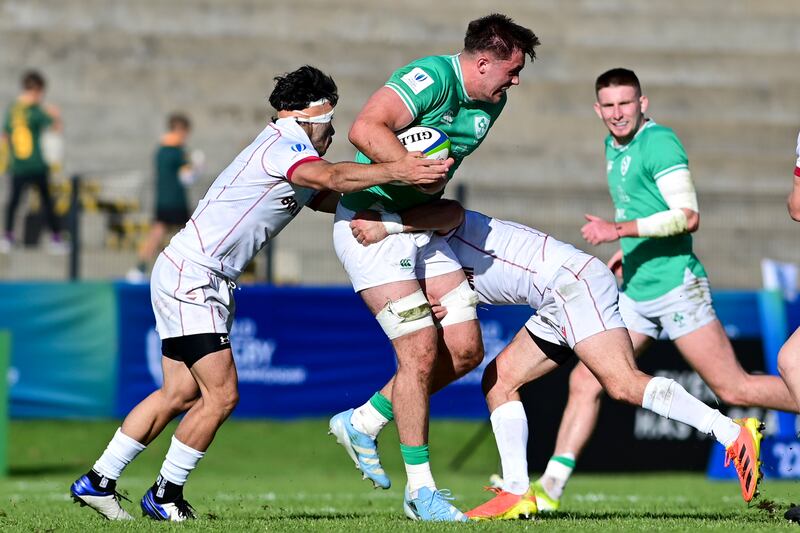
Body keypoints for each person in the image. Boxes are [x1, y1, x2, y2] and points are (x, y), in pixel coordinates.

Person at [69, 65, 452, 522]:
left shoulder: (288, 149)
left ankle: (98, 480)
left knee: (179, 392)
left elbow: (335, 197)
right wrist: (399, 169)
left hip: (190, 271)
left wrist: (401, 205)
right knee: (222, 395)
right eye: (331, 125)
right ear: (314, 117)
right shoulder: (287, 143)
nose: (332, 135)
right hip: (195, 276)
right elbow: (330, 180)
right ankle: (165, 495)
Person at [348, 203, 765, 520]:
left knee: (621, 383)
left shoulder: (424, 231)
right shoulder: (412, 262)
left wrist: (386, 225)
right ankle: (516, 491)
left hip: (571, 283)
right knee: (499, 379)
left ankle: (731, 432)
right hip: (555, 295)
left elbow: (452, 211)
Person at [530, 68, 798, 512]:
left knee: (733, 389)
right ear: (598, 110)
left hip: (677, 287)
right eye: (609, 106)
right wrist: (628, 249)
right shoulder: (612, 145)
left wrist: (617, 230)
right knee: (588, 377)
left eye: (625, 104)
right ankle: (550, 489)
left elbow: (687, 216)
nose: (617, 114)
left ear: (643, 104)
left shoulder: (659, 143)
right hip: (637, 288)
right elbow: (646, 211)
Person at [328, 13, 540, 521]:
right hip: (369, 221)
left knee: (466, 351)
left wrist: (421, 196)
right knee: (420, 350)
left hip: (416, 225)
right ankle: (420, 492)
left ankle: (362, 421)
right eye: (510, 70)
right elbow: (364, 128)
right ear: (483, 61)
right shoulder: (431, 77)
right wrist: (404, 166)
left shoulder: (494, 102)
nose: (515, 81)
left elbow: (434, 174)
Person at [126, 113, 203, 282]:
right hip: (176, 200)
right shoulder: (178, 151)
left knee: (158, 233)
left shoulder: (160, 150)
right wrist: (197, 166)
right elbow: (187, 178)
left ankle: (140, 267)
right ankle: (192, 270)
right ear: (180, 129)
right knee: (190, 234)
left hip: (162, 199)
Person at [1, 70, 65, 253]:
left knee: (26, 202)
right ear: (35, 90)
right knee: (25, 201)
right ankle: (54, 238)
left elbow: (5, 135)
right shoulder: (32, 110)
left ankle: (10, 237)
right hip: (29, 165)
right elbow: (56, 128)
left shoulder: (14, 108)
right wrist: (55, 114)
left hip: (26, 166)